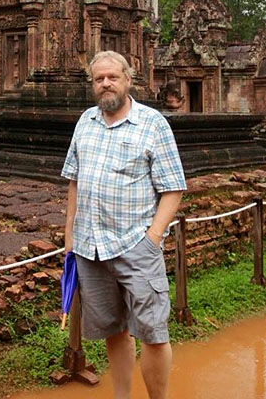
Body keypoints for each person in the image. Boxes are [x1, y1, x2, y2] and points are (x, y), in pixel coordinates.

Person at [62, 50, 186, 399]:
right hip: (91, 248)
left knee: (153, 334)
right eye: (98, 79)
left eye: (112, 77)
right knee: (114, 330)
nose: (105, 84)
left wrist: (152, 238)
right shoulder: (85, 121)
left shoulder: (152, 123)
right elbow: (74, 181)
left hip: (136, 246)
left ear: (128, 80)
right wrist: (70, 237)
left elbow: (173, 188)